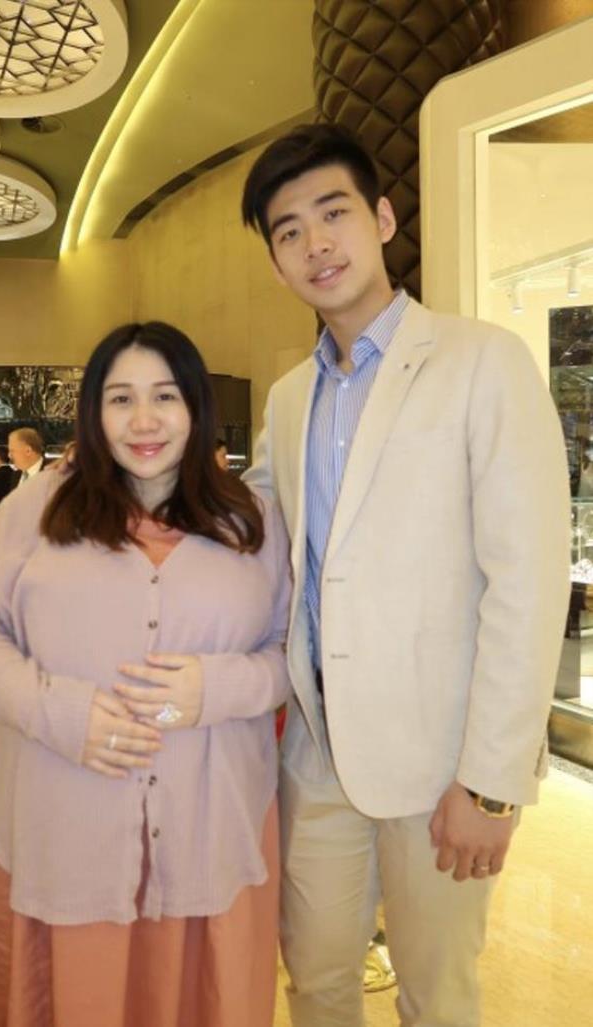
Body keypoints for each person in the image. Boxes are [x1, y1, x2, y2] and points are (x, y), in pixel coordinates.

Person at [240, 122, 571, 1027]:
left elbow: (528, 581)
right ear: (276, 264)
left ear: (382, 219)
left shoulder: (483, 361)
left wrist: (492, 780)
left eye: (334, 213)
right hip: (316, 754)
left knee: (437, 997)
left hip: (442, 764)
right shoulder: (288, 398)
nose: (316, 243)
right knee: (316, 984)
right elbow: (253, 532)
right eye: (289, 230)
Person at [0, 322, 290, 1027]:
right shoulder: (36, 509)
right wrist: (54, 710)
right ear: (93, 413)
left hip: (208, 834)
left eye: (165, 395)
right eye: (121, 398)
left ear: (196, 406)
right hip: (64, 828)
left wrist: (216, 689)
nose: (144, 420)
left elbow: (293, 651)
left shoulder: (252, 520)